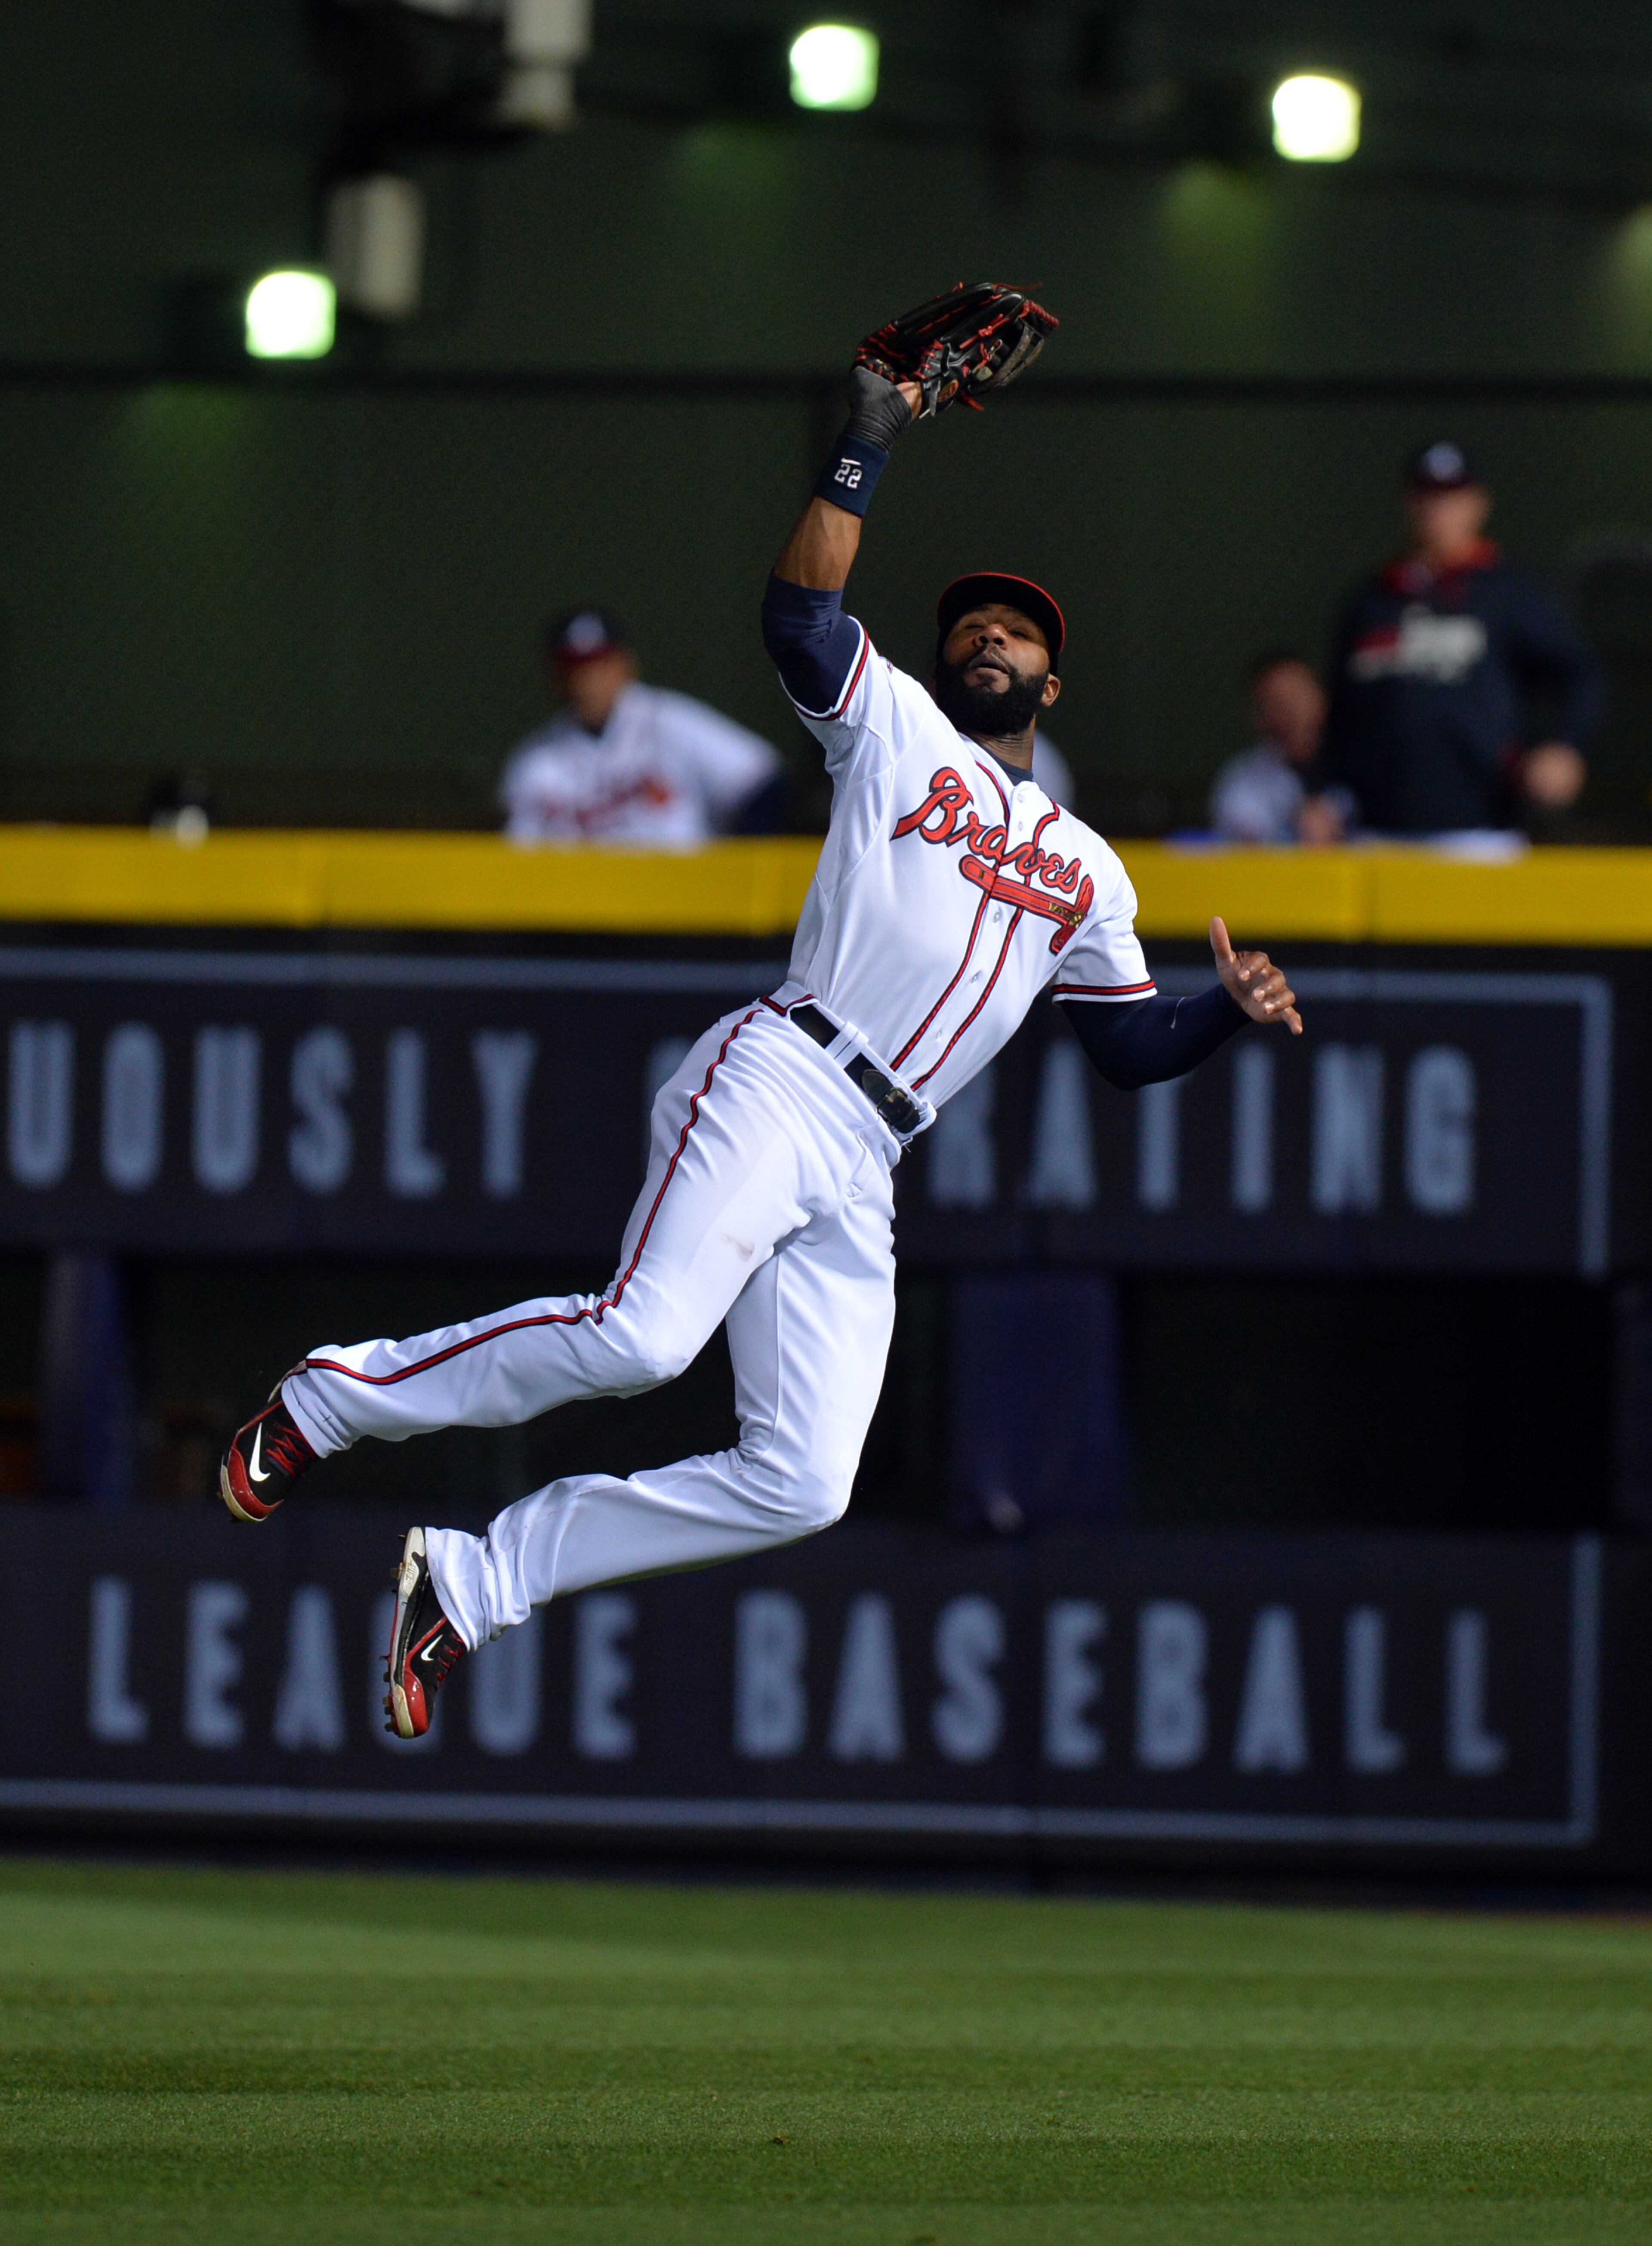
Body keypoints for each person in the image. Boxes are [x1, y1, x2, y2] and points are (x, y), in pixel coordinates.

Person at [217, 325, 1304, 1743]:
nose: (989, 633)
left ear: (1052, 681)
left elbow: (1127, 1048)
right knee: (638, 1341)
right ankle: (328, 1403)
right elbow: (799, 623)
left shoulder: (1096, 873)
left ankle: (474, 1583)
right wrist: (868, 440)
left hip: (867, 1160)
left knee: (803, 1482)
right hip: (785, 1071)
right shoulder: (898, 731)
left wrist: (1222, 1010)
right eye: (973, 621)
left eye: (1018, 630)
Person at [1313, 441, 1605, 844]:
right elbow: (1338, 714)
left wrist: (1566, 747)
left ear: (1478, 503)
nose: (1439, 508)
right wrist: (1321, 791)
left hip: (1480, 830)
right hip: (1375, 830)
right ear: (1407, 501)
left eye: (1452, 495)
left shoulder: (1511, 592)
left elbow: (1580, 675)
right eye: (1427, 495)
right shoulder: (1371, 600)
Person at [498, 608, 787, 844]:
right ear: (555, 676)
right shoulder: (533, 762)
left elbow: (761, 781)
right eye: (574, 668)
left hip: (681, 900)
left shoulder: (671, 721)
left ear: (626, 664)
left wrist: (734, 874)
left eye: (599, 665)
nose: (586, 681)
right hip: (582, 907)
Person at [1208, 652, 1335, 844]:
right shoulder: (1240, 783)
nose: (1291, 710)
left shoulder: (1365, 762)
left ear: (1322, 698)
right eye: (1277, 700)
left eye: (1298, 694)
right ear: (1259, 716)